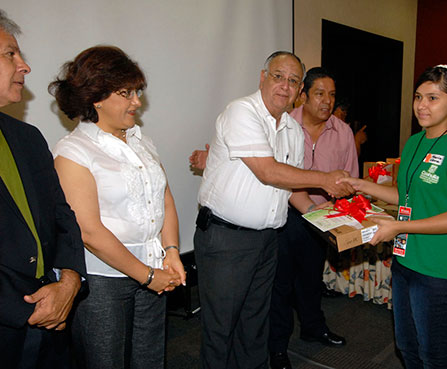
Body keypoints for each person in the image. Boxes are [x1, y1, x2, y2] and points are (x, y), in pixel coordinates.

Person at [193, 51, 354, 369]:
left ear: (298, 92)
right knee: (221, 327)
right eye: (279, 76)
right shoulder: (241, 111)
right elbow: (268, 171)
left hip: (267, 240)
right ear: (262, 77)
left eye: (293, 81)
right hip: (227, 239)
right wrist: (326, 179)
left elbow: (294, 191)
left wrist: (330, 225)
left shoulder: (293, 131)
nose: (285, 85)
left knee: (255, 324)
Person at [338, 65, 447, 368]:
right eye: (418, 96)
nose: (421, 105)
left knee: (434, 355)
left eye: (433, 98)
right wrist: (363, 185)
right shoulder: (416, 141)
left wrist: (400, 226)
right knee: (406, 346)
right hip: (406, 261)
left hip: (439, 269)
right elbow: (408, 196)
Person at [50, 46, 185, 369]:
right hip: (104, 282)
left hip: (154, 270)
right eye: (126, 93)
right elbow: (89, 231)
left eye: (137, 92)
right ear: (96, 97)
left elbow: (163, 196)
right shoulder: (74, 151)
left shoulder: (140, 140)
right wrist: (147, 275)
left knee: (150, 360)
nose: (137, 102)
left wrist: (172, 251)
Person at [0, 10, 86, 368]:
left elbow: (61, 215)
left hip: (51, 319)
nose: (25, 66)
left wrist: (68, 281)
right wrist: (27, 307)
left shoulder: (27, 137)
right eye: (10, 54)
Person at [268, 67, 357, 369]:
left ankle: (313, 328)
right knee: (280, 284)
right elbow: (275, 175)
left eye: (331, 95)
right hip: (286, 213)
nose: (327, 101)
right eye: (320, 93)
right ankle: (277, 347)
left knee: (310, 278)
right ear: (303, 96)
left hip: (323, 217)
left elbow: (350, 178)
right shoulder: (284, 126)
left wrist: (345, 216)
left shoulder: (342, 131)